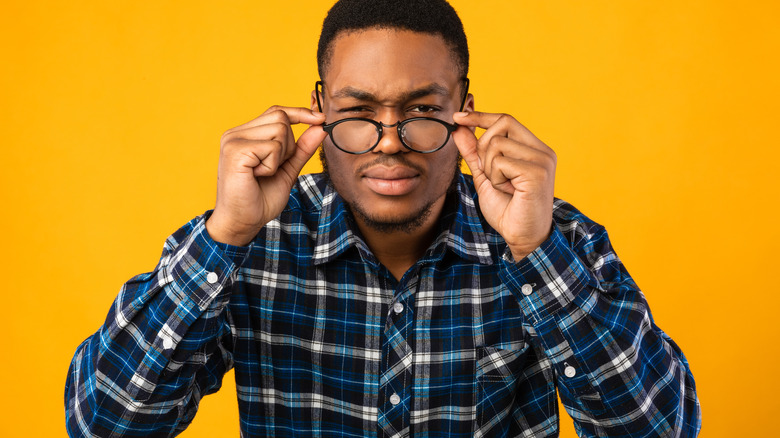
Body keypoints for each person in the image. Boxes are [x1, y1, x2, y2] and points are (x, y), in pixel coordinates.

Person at [65, 0, 701, 436]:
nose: (390, 140)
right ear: (318, 111)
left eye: (423, 109)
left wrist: (537, 253)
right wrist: (225, 237)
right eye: (360, 110)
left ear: (466, 111)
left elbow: (662, 427)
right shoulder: (249, 245)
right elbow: (104, 423)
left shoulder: (552, 240)